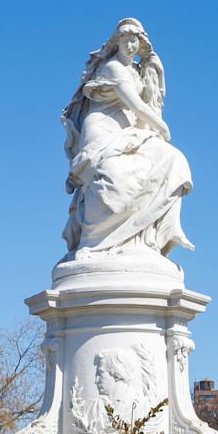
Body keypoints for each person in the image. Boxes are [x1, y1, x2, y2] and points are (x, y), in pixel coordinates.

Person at [60, 18, 193, 258]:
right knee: (116, 175)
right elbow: (138, 106)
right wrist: (163, 128)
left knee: (174, 160)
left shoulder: (136, 72)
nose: (130, 46)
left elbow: (144, 110)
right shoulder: (113, 67)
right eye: (126, 40)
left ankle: (150, 240)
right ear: (116, 42)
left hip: (130, 131)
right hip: (103, 130)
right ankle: (93, 241)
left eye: (135, 41)